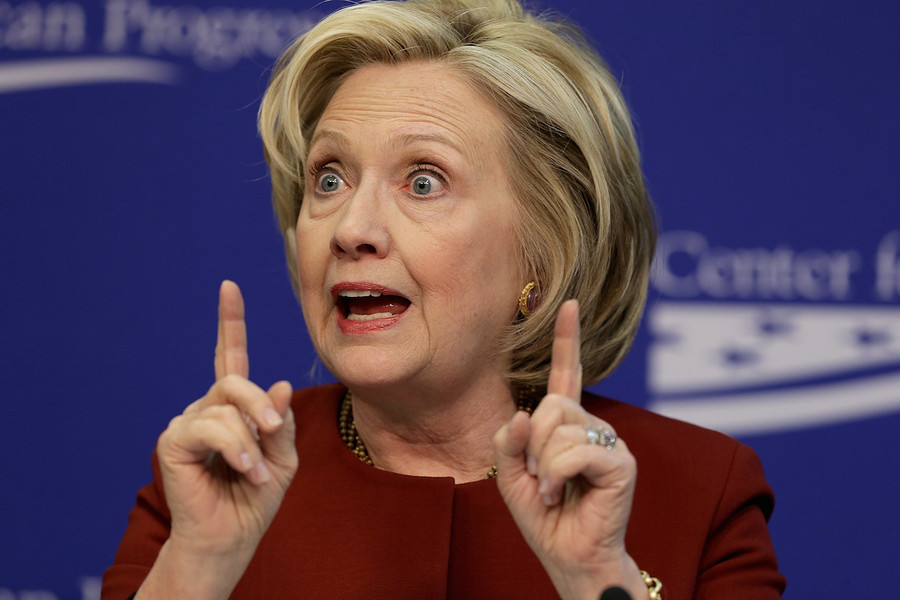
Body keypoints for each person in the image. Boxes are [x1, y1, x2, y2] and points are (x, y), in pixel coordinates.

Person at [102, 0, 785, 598]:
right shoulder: (210, 479)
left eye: (423, 182)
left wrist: (598, 579)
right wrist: (195, 572)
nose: (352, 230)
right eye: (330, 179)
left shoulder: (698, 493)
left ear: (543, 256)